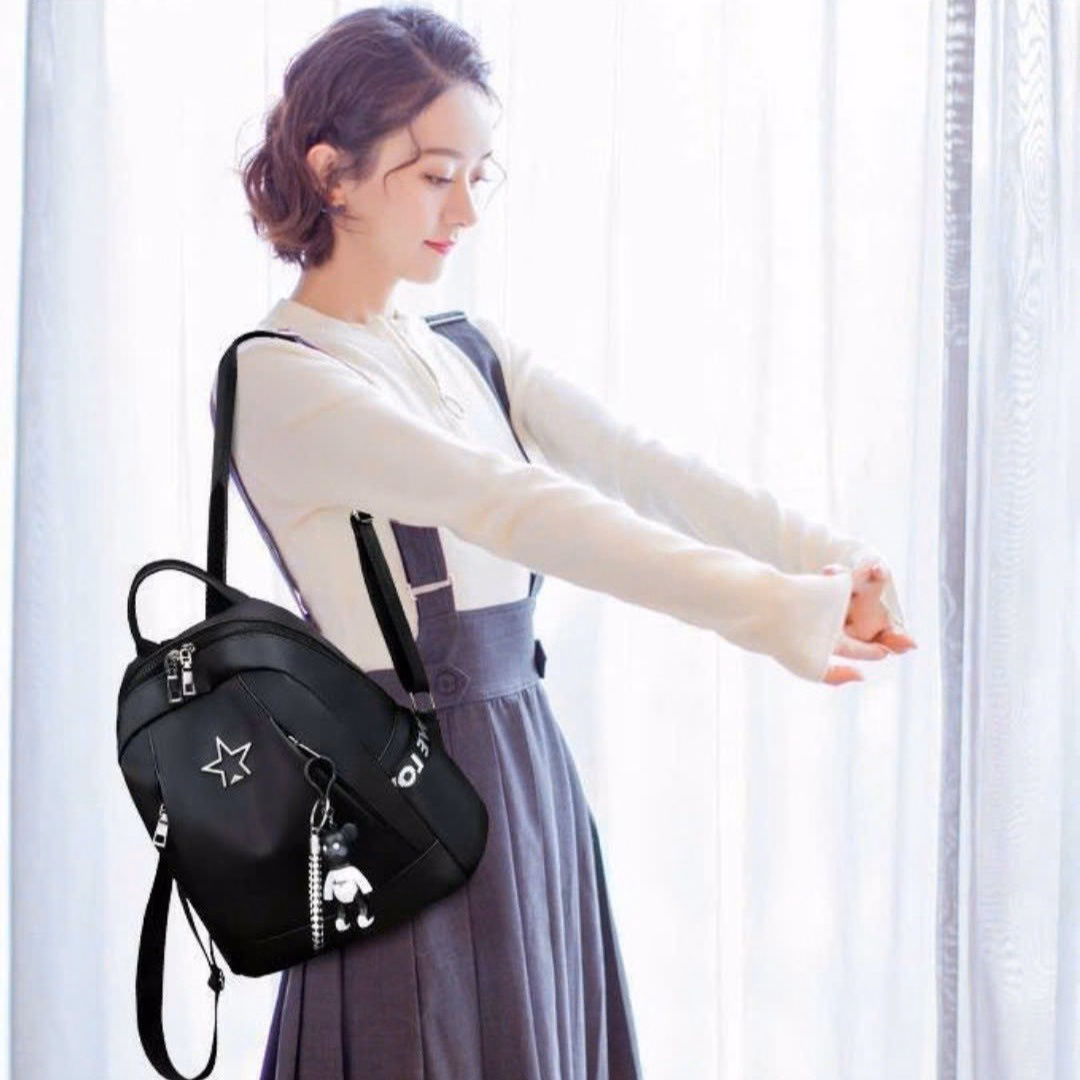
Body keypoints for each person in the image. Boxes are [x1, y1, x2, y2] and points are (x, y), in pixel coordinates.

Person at [230, 6, 917, 1078]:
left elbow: (641, 466)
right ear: (333, 174)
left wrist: (825, 557)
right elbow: (518, 506)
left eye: (478, 175)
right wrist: (774, 611)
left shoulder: (464, 348)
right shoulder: (281, 377)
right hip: (406, 802)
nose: (465, 209)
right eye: (434, 174)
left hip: (523, 769)